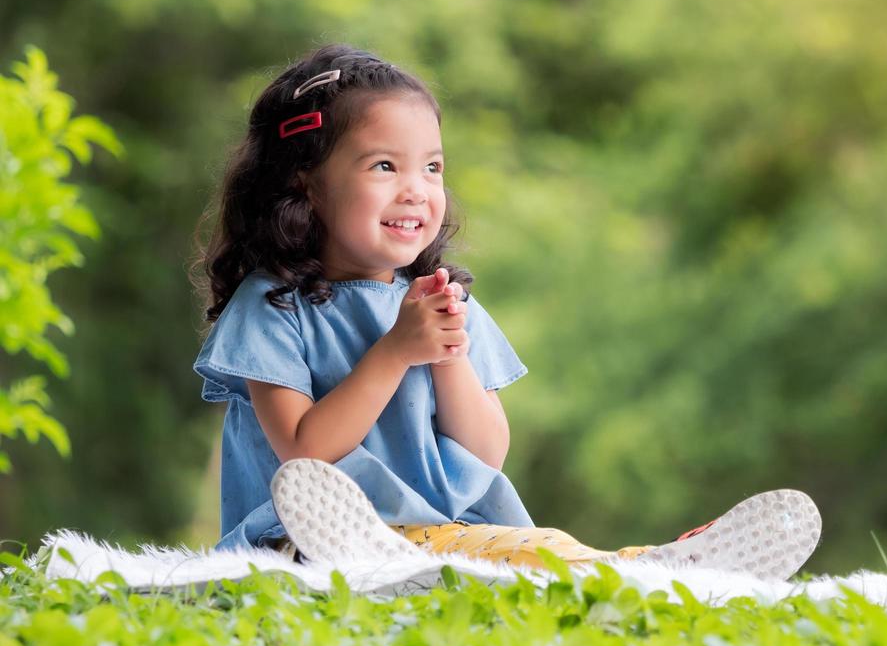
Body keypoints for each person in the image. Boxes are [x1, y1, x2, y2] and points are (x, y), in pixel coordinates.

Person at [192, 43, 820, 578]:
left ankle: (650, 567)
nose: (417, 188)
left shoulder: (437, 299)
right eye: (384, 166)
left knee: (514, 556)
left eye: (432, 167)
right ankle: (647, 570)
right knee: (525, 556)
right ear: (305, 183)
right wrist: (395, 352)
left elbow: (487, 450)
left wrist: (448, 353)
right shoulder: (274, 306)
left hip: (442, 532)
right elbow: (305, 455)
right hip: (309, 544)